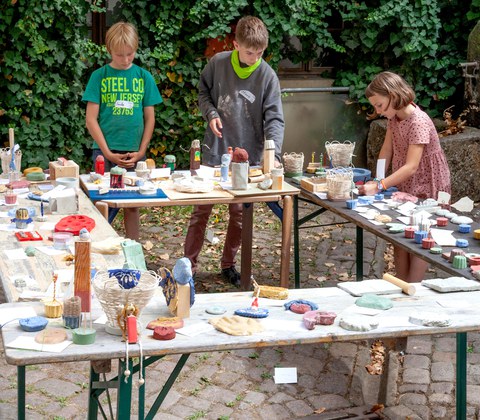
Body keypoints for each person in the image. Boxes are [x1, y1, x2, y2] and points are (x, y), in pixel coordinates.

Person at [184, 16, 285, 286]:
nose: (254, 58)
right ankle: (188, 267)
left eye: (260, 53)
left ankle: (228, 264)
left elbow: (275, 119)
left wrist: (272, 154)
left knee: (240, 213)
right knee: (201, 210)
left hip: (247, 156)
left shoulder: (267, 76)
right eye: (249, 52)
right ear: (235, 44)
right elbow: (203, 92)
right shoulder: (217, 64)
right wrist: (211, 113)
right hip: (215, 149)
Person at [358, 71, 451, 283]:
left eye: (380, 105)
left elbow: (411, 166)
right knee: (401, 233)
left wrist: (380, 185)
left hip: (429, 184)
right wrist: (377, 179)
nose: (377, 111)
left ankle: (413, 287)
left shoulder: (418, 121)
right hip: (407, 182)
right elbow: (386, 151)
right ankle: (402, 283)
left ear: (393, 95)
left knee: (421, 235)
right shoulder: (395, 118)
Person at [82, 22, 163, 241]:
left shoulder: (143, 77)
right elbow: (91, 119)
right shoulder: (99, 76)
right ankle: (96, 247)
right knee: (102, 201)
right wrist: (107, 153)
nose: (126, 60)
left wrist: (141, 150)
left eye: (130, 54)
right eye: (120, 55)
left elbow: (150, 118)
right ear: (109, 51)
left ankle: (133, 248)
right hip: (104, 151)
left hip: (134, 152)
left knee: (132, 203)